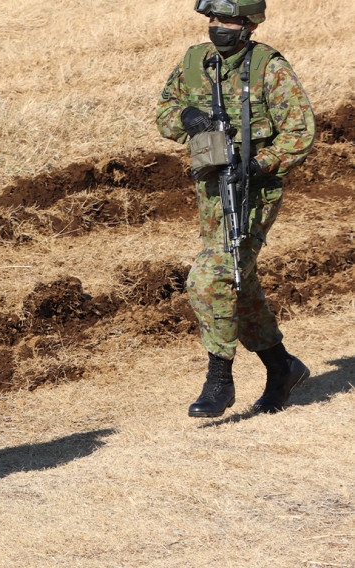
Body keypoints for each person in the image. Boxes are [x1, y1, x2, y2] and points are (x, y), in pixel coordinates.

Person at [156, 0, 314, 417]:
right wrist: (186, 117)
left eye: (226, 20)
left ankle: (219, 380)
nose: (217, 27)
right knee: (237, 280)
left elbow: (299, 131)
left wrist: (260, 163)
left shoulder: (268, 68)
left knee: (210, 277)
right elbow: (165, 111)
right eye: (212, 19)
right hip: (210, 191)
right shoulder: (195, 62)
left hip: (254, 192)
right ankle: (282, 367)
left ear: (247, 24)